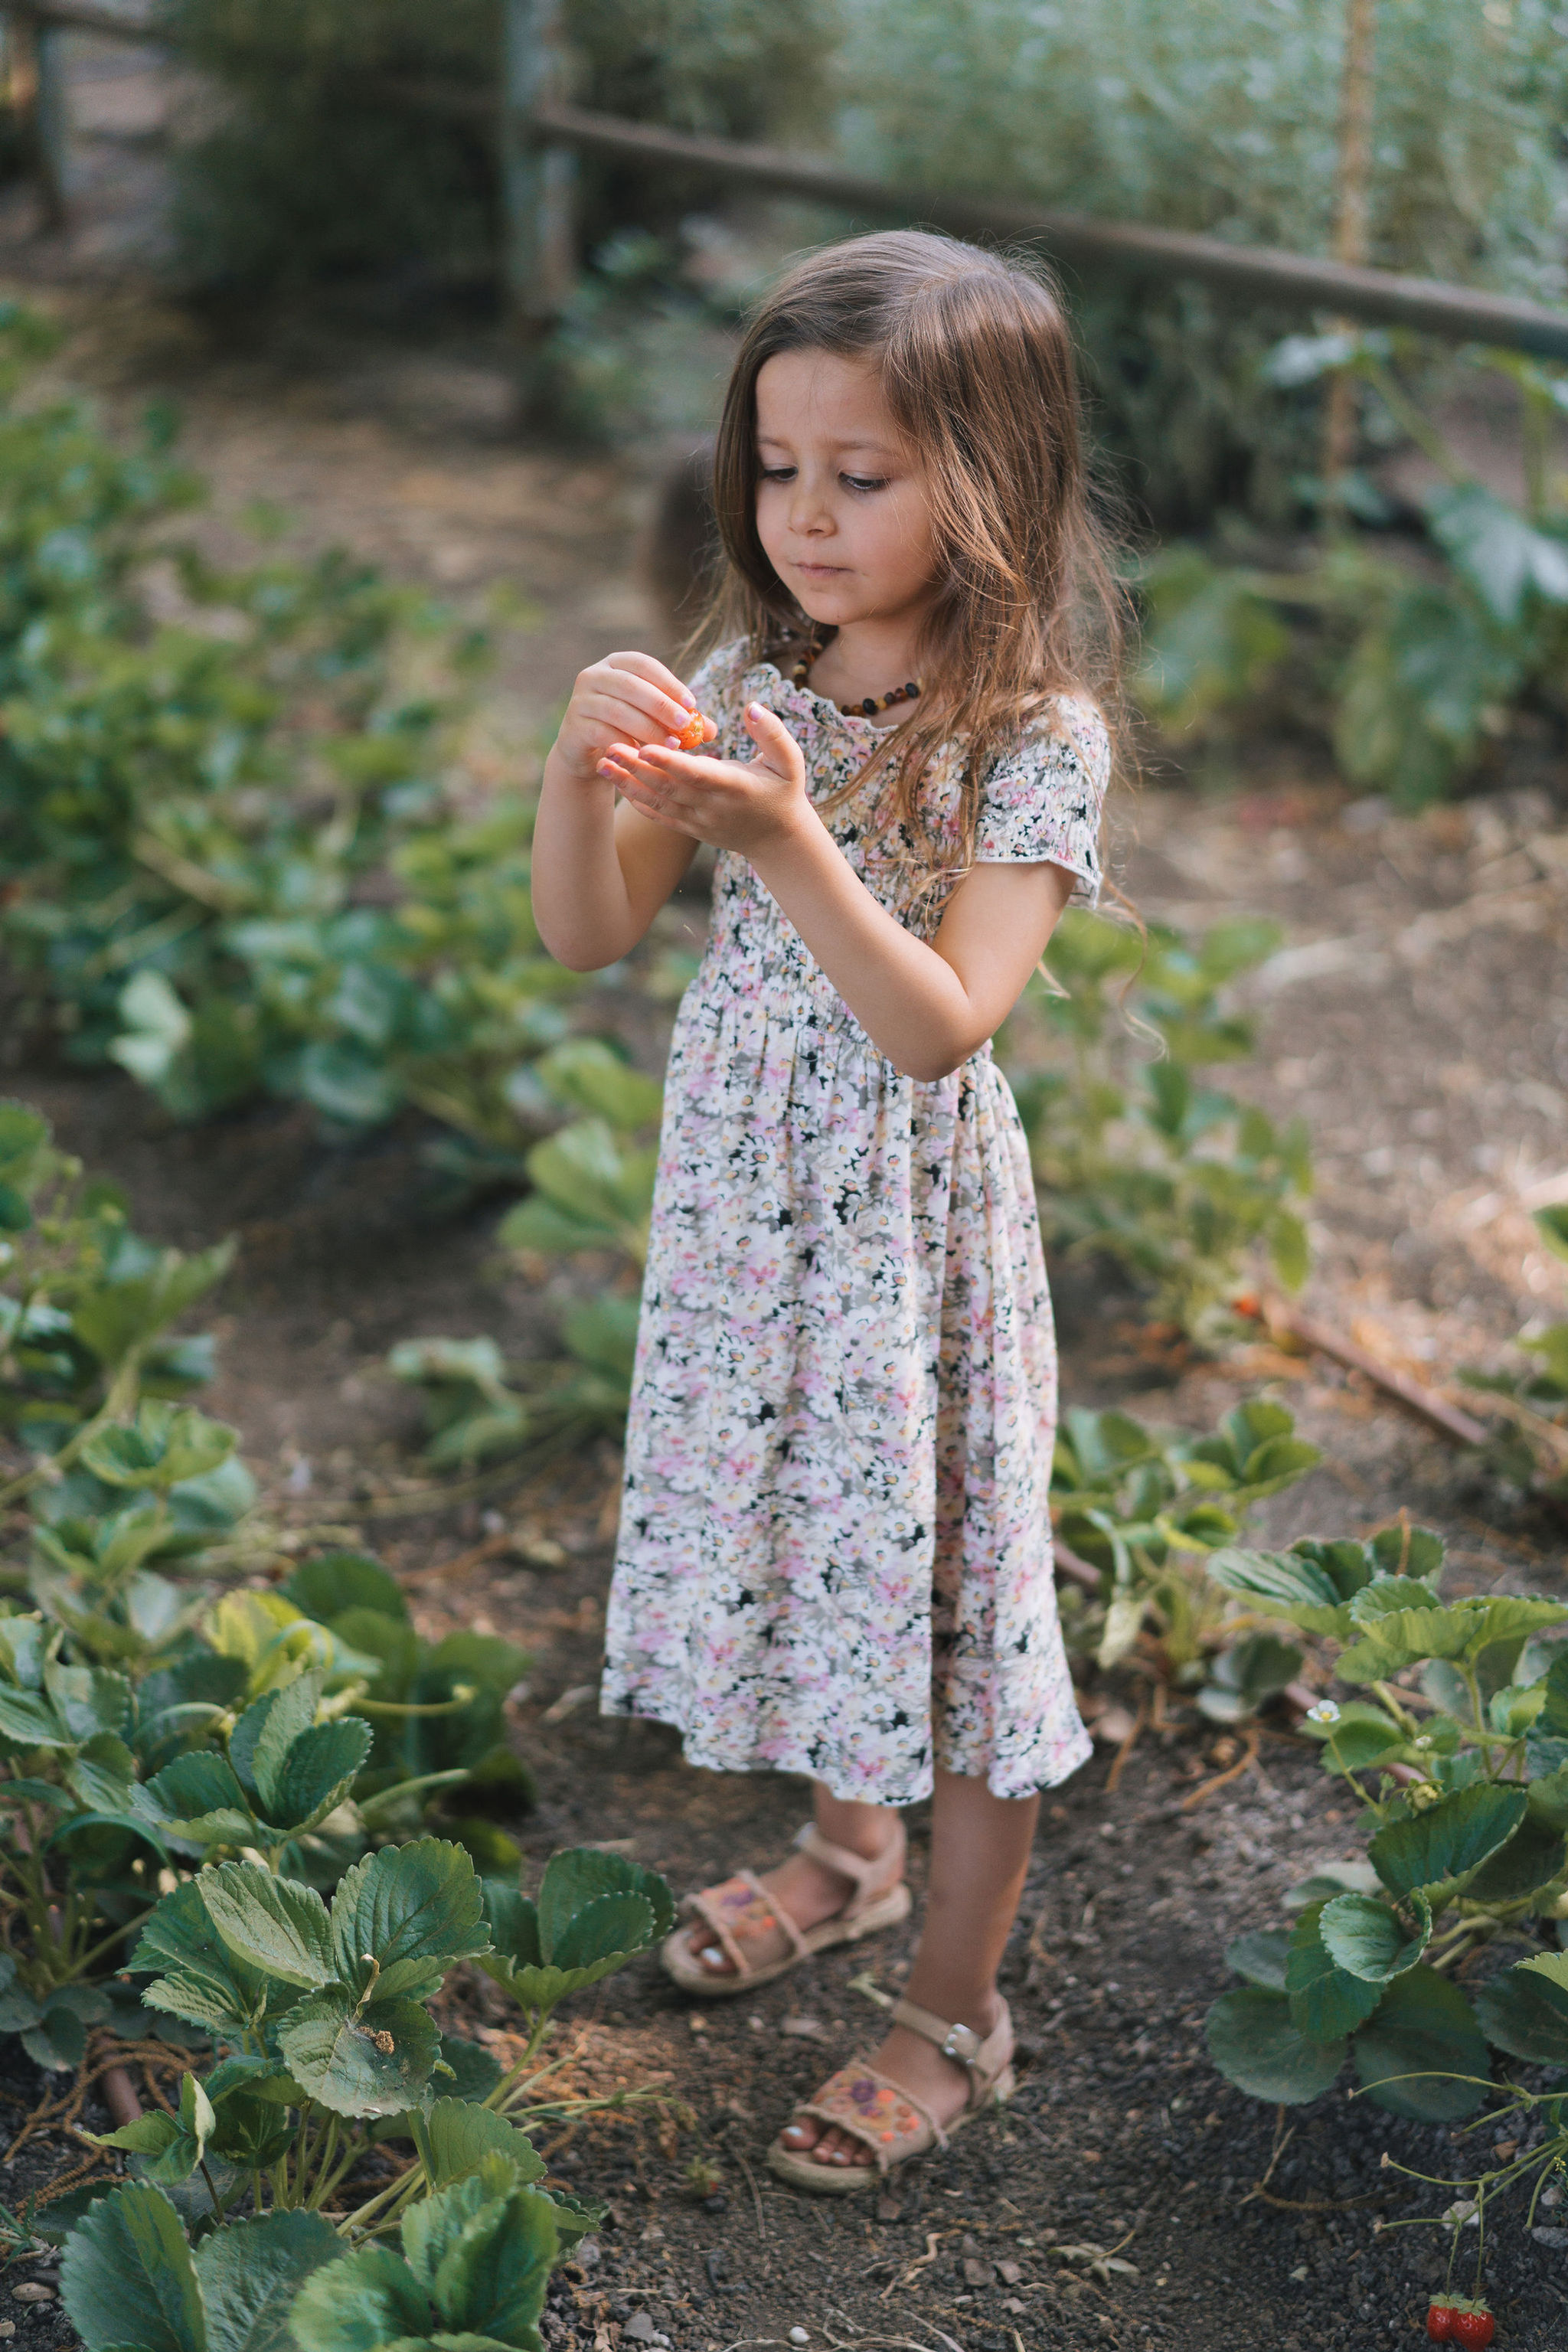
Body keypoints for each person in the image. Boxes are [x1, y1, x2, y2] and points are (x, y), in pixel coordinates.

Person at [530, 229, 1124, 2192]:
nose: (802, 515)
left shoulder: (1027, 742)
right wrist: (571, 770)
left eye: (859, 476)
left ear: (992, 477)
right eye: (775, 468)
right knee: (812, 1533)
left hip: (906, 1248)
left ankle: (957, 2010)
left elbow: (939, 1027)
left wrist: (787, 835)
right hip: (747, 1235)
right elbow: (588, 926)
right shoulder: (744, 674)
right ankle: (849, 1855)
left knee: (947, 1596)